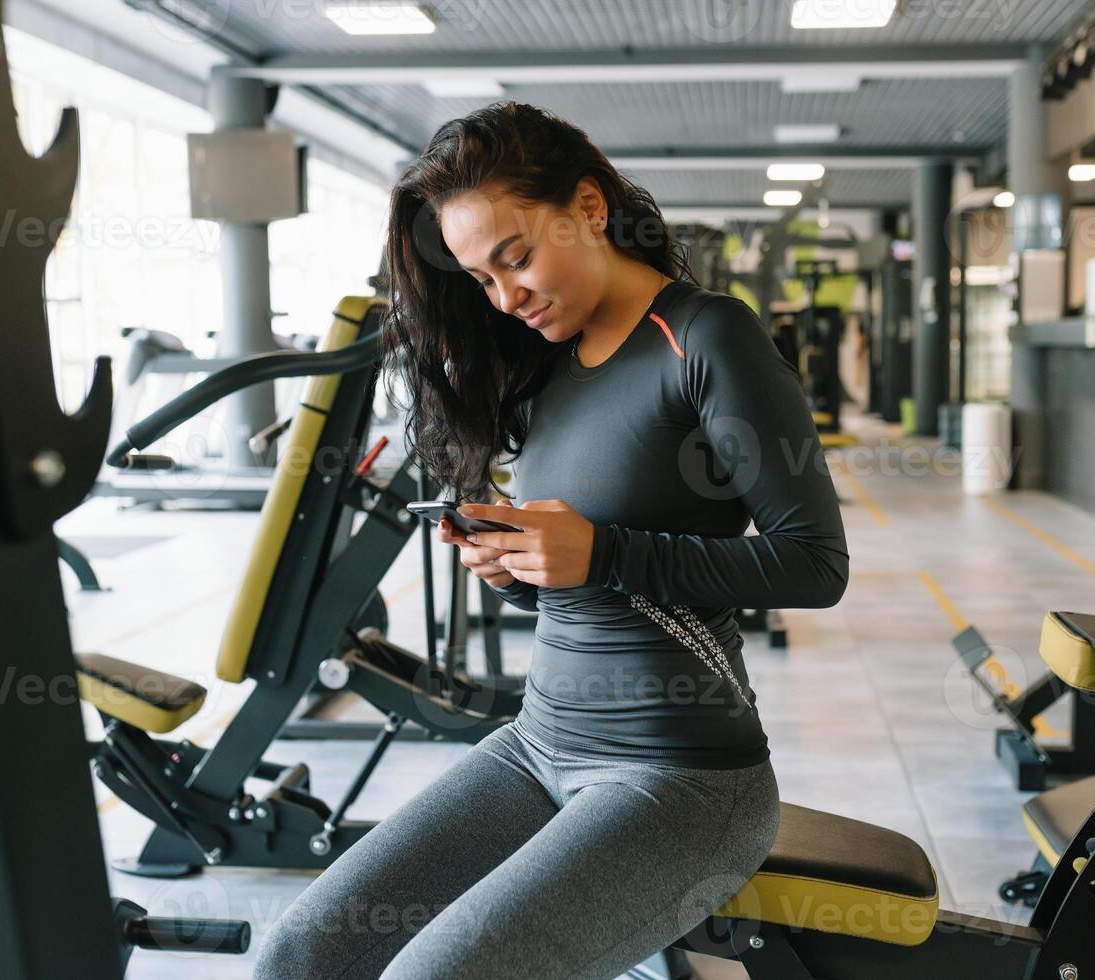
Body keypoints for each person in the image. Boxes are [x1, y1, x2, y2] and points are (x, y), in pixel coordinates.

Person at [253, 102, 849, 980]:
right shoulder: (541, 364)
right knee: (300, 956)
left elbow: (816, 564)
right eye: (481, 278)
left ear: (589, 208)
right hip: (536, 746)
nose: (505, 296)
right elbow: (573, 575)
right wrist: (517, 567)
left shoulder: (705, 336)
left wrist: (603, 551)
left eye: (517, 257)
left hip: (683, 778)